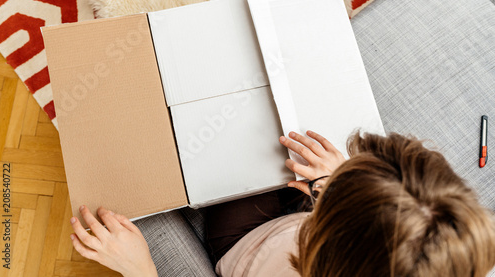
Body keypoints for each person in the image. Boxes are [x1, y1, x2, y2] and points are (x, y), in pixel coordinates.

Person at [69, 130, 495, 276]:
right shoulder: (464, 248)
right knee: (262, 135)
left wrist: (140, 268)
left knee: (222, 154)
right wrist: (336, 178)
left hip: (245, 248)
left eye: (326, 202)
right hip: (291, 241)